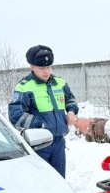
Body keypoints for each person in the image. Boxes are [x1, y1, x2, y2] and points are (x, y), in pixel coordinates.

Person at [8, 45, 78, 178]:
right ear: (32, 67)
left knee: (59, 180)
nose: (46, 71)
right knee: (41, 181)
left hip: (58, 142)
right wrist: (41, 125)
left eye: (48, 67)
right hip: (39, 144)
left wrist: (71, 111)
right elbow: (15, 115)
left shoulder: (59, 83)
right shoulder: (24, 87)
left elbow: (70, 99)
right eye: (42, 68)